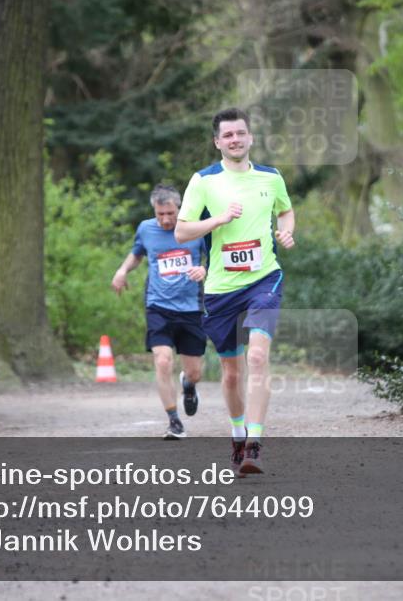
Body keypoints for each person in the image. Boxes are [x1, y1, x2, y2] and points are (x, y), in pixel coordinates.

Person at [175, 107, 295, 476]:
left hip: (264, 279)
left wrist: (287, 231)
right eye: (227, 135)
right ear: (217, 142)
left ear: (250, 137)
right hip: (220, 289)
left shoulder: (271, 177)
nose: (235, 139)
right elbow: (181, 231)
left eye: (240, 133)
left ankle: (254, 445)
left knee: (257, 357)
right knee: (231, 374)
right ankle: (238, 434)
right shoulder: (203, 181)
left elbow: (286, 210)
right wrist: (220, 219)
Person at [112, 184, 207, 440]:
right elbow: (136, 254)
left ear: (180, 209)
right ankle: (174, 421)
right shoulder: (146, 229)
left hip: (191, 308)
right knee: (163, 360)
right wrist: (122, 271)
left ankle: (188, 385)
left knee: (195, 372)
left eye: (170, 214)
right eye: (160, 214)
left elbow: (214, 258)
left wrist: (204, 270)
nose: (165, 220)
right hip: (158, 306)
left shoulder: (195, 229)